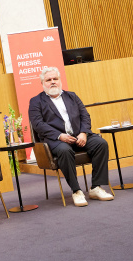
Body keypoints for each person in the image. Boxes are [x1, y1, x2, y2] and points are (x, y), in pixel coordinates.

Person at [28, 66, 113, 207]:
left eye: (55, 78)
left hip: (78, 136)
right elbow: (38, 124)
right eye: (49, 80)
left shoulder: (72, 96)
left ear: (60, 80)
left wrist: (84, 133)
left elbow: (85, 116)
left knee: (101, 144)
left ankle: (96, 187)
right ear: (43, 83)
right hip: (56, 140)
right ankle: (77, 191)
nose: (53, 82)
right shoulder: (36, 101)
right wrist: (59, 136)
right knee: (64, 150)